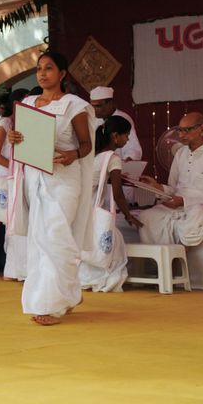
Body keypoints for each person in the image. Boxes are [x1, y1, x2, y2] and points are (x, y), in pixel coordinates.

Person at [8, 51, 96, 326]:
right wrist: (14, 137)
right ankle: (65, 295)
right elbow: (22, 139)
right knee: (40, 241)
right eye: (39, 69)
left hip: (65, 179)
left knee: (58, 238)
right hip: (36, 178)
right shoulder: (29, 103)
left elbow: (86, 145)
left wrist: (72, 156)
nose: (43, 73)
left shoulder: (74, 106)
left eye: (49, 68)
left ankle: (52, 303)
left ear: (62, 74)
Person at [138, 112, 203, 246]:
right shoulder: (180, 154)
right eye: (179, 130)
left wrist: (184, 201)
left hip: (200, 206)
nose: (180, 135)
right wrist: (158, 187)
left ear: (202, 130)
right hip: (176, 205)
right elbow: (173, 188)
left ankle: (179, 260)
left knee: (192, 221)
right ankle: (161, 260)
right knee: (145, 217)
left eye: (186, 130)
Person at [79, 116, 143, 292]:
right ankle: (103, 278)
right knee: (114, 240)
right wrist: (129, 215)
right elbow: (117, 193)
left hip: (82, 205)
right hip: (93, 206)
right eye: (126, 135)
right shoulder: (112, 158)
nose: (128, 139)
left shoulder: (94, 154)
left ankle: (85, 278)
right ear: (115, 136)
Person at [0, 89, 29, 281]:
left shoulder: (25, 124)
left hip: (18, 178)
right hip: (6, 179)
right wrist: (16, 168)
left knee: (19, 221)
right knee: (10, 222)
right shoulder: (4, 124)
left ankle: (16, 267)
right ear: (16, 104)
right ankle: (11, 267)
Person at [89, 86, 142, 162]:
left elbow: (132, 148)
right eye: (92, 106)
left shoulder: (123, 119)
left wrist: (129, 159)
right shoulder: (92, 120)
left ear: (110, 103)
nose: (94, 110)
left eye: (98, 106)